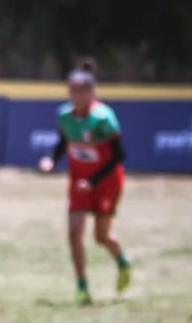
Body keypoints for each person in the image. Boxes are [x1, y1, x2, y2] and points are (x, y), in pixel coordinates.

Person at [38, 58, 132, 306]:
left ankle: (122, 261)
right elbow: (62, 143)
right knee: (74, 233)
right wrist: (50, 159)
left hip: (106, 182)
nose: (76, 96)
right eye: (72, 91)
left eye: (81, 91)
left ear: (92, 92)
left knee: (101, 238)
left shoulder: (103, 119)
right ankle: (82, 288)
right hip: (79, 182)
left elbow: (119, 156)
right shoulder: (64, 116)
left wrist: (93, 179)